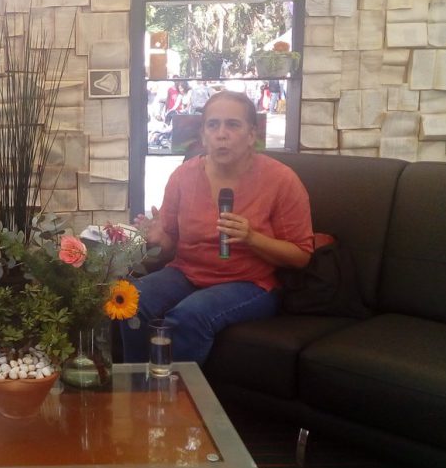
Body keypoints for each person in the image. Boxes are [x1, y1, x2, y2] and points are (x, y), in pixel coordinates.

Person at [122, 91, 313, 364]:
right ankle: (136, 385)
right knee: (130, 299)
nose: (221, 134)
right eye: (213, 125)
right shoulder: (182, 176)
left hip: (250, 283)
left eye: (233, 125)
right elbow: (169, 246)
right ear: (203, 135)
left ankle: (174, 390)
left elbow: (302, 255)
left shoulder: (281, 180)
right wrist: (157, 240)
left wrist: (252, 237)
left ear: (251, 135)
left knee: (189, 315)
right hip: (187, 272)